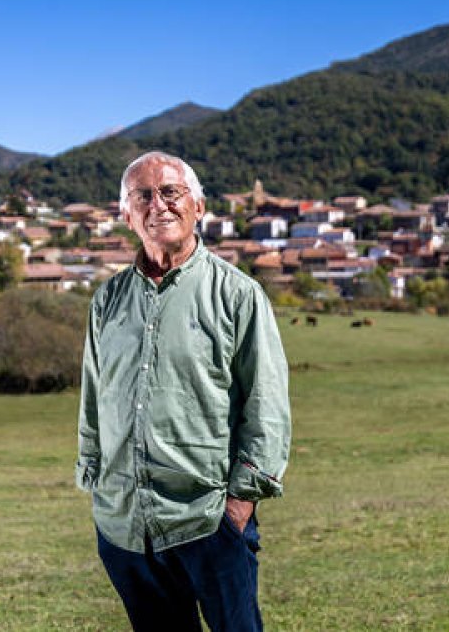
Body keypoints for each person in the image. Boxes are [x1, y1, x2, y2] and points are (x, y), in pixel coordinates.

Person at [76, 151, 291, 631]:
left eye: (170, 192)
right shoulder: (107, 301)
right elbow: (93, 398)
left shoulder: (237, 295)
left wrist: (239, 506)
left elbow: (267, 406)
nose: (158, 205)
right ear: (127, 215)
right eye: (143, 196)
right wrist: (97, 484)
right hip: (126, 526)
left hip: (209, 520)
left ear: (198, 205)